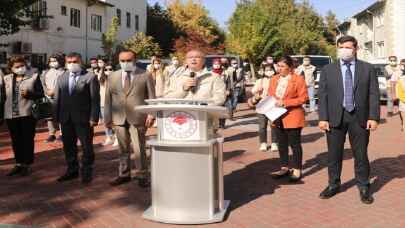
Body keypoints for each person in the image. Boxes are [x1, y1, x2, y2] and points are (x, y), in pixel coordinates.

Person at [318, 36, 380, 204]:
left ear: (355, 49)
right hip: (334, 118)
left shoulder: (367, 69)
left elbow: (374, 94)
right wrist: (322, 118)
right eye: (341, 47)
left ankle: (364, 185)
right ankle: (333, 184)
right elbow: (322, 96)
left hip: (359, 118)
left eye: (348, 47)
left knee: (360, 154)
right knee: (334, 154)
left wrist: (374, 117)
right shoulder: (327, 70)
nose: (344, 50)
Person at [104, 50, 156, 187]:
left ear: (135, 60)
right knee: (122, 149)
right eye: (122, 61)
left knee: (139, 148)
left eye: (128, 60)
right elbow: (108, 99)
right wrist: (107, 118)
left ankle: (142, 175)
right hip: (118, 118)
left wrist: (151, 114)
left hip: (138, 117)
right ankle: (124, 174)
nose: (125, 63)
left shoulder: (145, 75)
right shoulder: (113, 76)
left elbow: (152, 97)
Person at [54, 52, 100, 184]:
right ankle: (72, 170)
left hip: (83, 119)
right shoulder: (62, 77)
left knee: (86, 146)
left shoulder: (90, 77)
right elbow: (57, 98)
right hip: (66, 118)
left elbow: (95, 100)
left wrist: (94, 118)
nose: (72, 64)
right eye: (69, 62)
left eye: (75, 62)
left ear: (80, 62)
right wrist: (56, 117)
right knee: (68, 146)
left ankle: (87, 170)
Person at [0, 55, 44, 176]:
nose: (20, 68)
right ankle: (19, 163)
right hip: (10, 114)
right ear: (11, 68)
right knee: (16, 140)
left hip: (27, 113)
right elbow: (3, 97)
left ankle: (27, 164)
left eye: (22, 65)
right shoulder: (7, 78)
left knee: (27, 139)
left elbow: (40, 94)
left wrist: (30, 94)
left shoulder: (33, 76)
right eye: (17, 66)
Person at [267, 56, 308, 182]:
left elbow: (304, 98)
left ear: (290, 68)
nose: (279, 68)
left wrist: (285, 103)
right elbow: (270, 95)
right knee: (282, 144)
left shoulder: (298, 79)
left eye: (282, 66)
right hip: (276, 116)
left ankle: (297, 169)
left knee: (294, 144)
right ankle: (284, 167)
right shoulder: (274, 79)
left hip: (293, 116)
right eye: (278, 66)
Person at [250, 64, 279, 152]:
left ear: (274, 70)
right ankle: (263, 143)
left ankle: (274, 143)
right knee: (262, 126)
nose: (268, 71)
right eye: (266, 70)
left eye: (270, 70)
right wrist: (258, 89)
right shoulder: (260, 80)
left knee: (274, 125)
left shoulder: (277, 80)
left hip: (273, 105)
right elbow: (253, 91)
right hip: (262, 105)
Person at [41, 54, 65, 142]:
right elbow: (42, 83)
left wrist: (54, 91)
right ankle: (52, 134)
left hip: (60, 97)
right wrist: (46, 91)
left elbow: (63, 84)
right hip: (48, 97)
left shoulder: (64, 72)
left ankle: (63, 134)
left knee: (61, 116)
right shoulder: (46, 72)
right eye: (51, 61)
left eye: (55, 61)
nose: (53, 63)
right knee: (49, 117)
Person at [97, 60, 115, 146]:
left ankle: (117, 137)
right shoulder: (100, 78)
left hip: (115, 103)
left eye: (110, 69)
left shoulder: (117, 78)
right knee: (106, 121)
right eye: (106, 69)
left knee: (115, 121)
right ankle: (109, 137)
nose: (108, 71)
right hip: (103, 103)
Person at [395, 59, 405, 131]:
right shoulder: (400, 75)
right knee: (402, 111)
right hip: (402, 97)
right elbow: (395, 84)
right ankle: (403, 124)